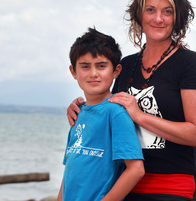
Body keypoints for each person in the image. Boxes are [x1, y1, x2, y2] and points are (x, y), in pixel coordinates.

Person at [67, 0, 196, 201]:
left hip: (172, 185)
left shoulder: (189, 63)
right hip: (123, 184)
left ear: (178, 17)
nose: (158, 19)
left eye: (167, 11)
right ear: (139, 14)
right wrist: (82, 108)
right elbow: (110, 110)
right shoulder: (126, 65)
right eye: (150, 10)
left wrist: (140, 116)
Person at [59, 28, 145, 201]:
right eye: (85, 66)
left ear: (116, 71)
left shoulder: (115, 112)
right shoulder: (78, 113)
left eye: (101, 66)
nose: (93, 74)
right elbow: (69, 171)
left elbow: (136, 170)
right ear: (73, 71)